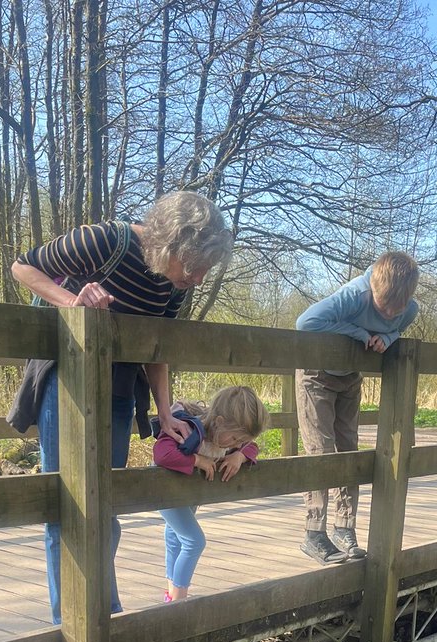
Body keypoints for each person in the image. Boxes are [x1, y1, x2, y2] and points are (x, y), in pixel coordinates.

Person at [11, 190, 233, 623]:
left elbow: (157, 348)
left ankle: (104, 613)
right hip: (66, 378)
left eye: (205, 269)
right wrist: (73, 304)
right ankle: (70, 620)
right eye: (193, 266)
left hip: (118, 385)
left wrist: (166, 413)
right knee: (66, 503)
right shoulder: (106, 241)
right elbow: (23, 266)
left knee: (105, 504)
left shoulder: (175, 285)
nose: (199, 278)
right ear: (169, 244)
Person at [295, 252, 420, 563]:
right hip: (316, 375)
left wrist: (388, 336)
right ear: (374, 289)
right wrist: (360, 334)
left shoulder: (409, 309)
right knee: (321, 451)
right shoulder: (355, 296)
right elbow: (305, 322)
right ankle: (314, 532)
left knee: (349, 451)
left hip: (349, 379)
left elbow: (397, 329)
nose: (391, 312)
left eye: (398, 307)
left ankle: (344, 527)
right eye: (384, 306)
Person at [153, 386, 267, 601]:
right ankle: (179, 600)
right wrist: (197, 460)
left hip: (188, 491)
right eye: (235, 439)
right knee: (194, 540)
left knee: (176, 536)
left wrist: (239, 456)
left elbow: (252, 447)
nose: (238, 444)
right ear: (220, 421)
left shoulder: (230, 439)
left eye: (241, 441)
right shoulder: (188, 430)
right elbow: (162, 454)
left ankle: (172, 595)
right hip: (165, 489)